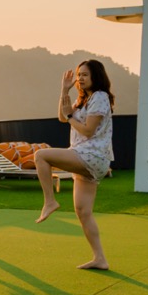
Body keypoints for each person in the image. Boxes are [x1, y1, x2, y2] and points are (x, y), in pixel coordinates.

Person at [33, 59, 114, 270]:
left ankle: (50, 201)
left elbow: (87, 130)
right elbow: (62, 117)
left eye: (85, 75)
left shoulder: (100, 97)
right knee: (83, 211)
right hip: (85, 157)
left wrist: (70, 116)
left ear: (96, 76)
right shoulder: (83, 99)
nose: (80, 78)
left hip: (91, 155)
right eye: (79, 75)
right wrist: (64, 91)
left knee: (41, 156)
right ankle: (100, 259)